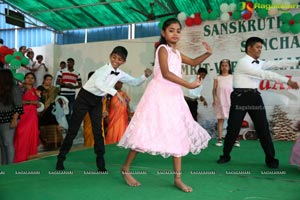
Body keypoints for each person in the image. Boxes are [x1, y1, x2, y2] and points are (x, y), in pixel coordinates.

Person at [117, 18, 212, 192]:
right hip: (159, 95)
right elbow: (166, 74)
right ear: (163, 33)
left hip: (174, 96)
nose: (175, 33)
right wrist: (189, 85)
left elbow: (193, 62)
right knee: (145, 131)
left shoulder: (176, 52)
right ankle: (126, 168)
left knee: (178, 132)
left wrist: (208, 53)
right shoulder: (162, 49)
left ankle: (177, 178)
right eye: (171, 30)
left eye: (178, 30)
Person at [56, 46, 153, 172]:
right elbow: (98, 84)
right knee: (73, 130)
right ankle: (60, 159)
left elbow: (134, 82)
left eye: (119, 59)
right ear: (110, 56)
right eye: (114, 57)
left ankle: (101, 165)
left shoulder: (120, 73)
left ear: (123, 61)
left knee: (98, 132)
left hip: (97, 101)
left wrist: (144, 76)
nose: (116, 61)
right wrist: (115, 93)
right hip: (84, 99)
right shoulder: (103, 70)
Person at [217, 37, 299, 169]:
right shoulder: (242, 62)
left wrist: (297, 61)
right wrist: (287, 81)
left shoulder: (259, 62)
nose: (260, 50)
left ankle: (270, 159)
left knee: (263, 128)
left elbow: (275, 64)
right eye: (257, 47)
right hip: (240, 98)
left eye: (261, 47)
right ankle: (225, 155)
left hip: (254, 97)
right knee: (233, 128)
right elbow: (264, 74)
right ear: (249, 48)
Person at [14, 72, 41, 163]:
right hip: (23, 115)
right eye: (28, 77)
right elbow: (17, 102)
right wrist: (32, 102)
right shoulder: (21, 89)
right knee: (22, 135)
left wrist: (38, 103)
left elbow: (37, 104)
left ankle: (31, 158)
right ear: (24, 79)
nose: (30, 79)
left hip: (33, 116)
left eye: (32, 78)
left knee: (33, 135)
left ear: (34, 80)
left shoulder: (35, 90)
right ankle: (20, 158)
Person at [212, 59, 240, 147]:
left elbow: (236, 89)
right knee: (220, 120)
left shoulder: (232, 77)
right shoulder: (217, 77)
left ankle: (234, 139)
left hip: (231, 101)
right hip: (220, 101)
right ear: (220, 67)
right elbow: (214, 89)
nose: (224, 67)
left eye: (226, 65)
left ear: (229, 67)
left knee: (233, 121)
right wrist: (215, 98)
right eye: (222, 65)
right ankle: (220, 139)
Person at [0, 69, 23, 165]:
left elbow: (18, 105)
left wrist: (14, 120)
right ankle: (4, 165)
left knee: (7, 143)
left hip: (9, 118)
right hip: (1, 118)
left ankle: (10, 165)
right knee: (2, 144)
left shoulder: (14, 88)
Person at [83, 71, 108, 147]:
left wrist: (105, 111)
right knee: (89, 134)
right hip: (89, 116)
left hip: (99, 117)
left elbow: (104, 102)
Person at [37, 74, 62, 149]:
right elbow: (38, 98)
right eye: (47, 79)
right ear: (44, 80)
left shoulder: (54, 89)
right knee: (43, 125)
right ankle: (45, 143)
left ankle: (54, 143)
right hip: (42, 109)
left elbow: (56, 98)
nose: (49, 81)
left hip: (51, 109)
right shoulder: (40, 88)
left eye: (50, 80)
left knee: (53, 124)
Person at [56, 58, 82, 126]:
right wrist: (65, 84)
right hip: (63, 94)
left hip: (72, 95)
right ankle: (62, 126)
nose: (68, 64)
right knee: (62, 111)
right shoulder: (62, 71)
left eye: (70, 62)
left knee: (70, 111)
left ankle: (68, 127)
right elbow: (57, 82)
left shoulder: (77, 73)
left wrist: (73, 87)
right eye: (68, 62)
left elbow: (80, 85)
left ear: (73, 63)